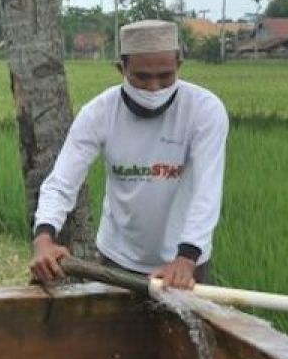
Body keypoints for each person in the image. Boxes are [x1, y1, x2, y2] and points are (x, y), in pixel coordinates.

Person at [29, 20, 229, 290]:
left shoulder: (204, 111)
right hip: (117, 259)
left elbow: (207, 190)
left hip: (185, 263)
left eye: (165, 76)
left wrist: (186, 258)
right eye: (142, 77)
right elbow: (62, 182)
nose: (154, 88)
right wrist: (43, 240)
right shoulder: (99, 113)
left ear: (179, 65)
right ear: (121, 68)